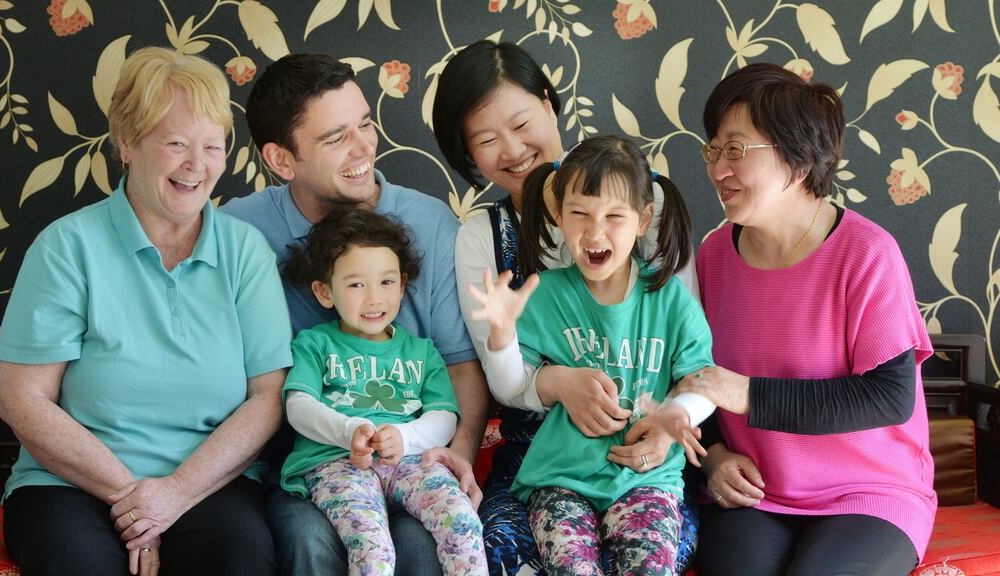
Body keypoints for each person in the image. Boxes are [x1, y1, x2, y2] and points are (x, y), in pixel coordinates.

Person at [0, 47, 291, 576]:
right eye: (175, 143)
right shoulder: (67, 246)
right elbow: (22, 398)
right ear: (127, 143)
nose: (196, 166)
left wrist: (175, 492)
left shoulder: (246, 252)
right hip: (69, 485)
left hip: (207, 483)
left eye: (212, 147)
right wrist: (136, 502)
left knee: (240, 556)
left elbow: (267, 399)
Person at [432, 40, 701, 576]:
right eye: (486, 139)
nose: (511, 150)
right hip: (542, 458)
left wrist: (673, 427)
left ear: (551, 106)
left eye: (522, 122)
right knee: (509, 550)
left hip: (646, 452)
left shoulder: (649, 204)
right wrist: (559, 383)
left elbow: (684, 353)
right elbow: (506, 378)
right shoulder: (481, 237)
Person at [220, 53, 487, 576]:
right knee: (311, 544)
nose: (365, 147)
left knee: (420, 546)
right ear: (282, 160)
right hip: (309, 464)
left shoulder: (430, 224)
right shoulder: (239, 233)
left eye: (364, 122)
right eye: (335, 137)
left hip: (413, 456)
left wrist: (458, 453)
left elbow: (458, 367)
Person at [677, 62, 936, 576]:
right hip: (757, 490)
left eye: (736, 150)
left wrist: (749, 393)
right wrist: (714, 458)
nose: (717, 168)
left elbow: (888, 395)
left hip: (869, 491)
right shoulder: (712, 256)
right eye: (714, 148)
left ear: (798, 157)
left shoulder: (867, 254)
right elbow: (691, 375)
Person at [470, 135, 714, 575]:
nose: (594, 232)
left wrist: (678, 414)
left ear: (643, 220)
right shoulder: (546, 295)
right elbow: (509, 387)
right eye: (579, 214)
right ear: (558, 216)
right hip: (560, 480)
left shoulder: (669, 299)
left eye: (614, 217)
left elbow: (702, 378)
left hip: (646, 480)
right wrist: (502, 334)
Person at [278, 208, 488, 575]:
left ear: (402, 285)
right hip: (338, 463)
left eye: (387, 283)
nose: (374, 298)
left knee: (463, 522)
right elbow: (298, 406)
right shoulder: (315, 344)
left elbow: (444, 416)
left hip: (409, 460)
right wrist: (349, 431)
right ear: (325, 292)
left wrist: (405, 437)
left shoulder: (421, 351)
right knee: (373, 548)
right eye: (357, 284)